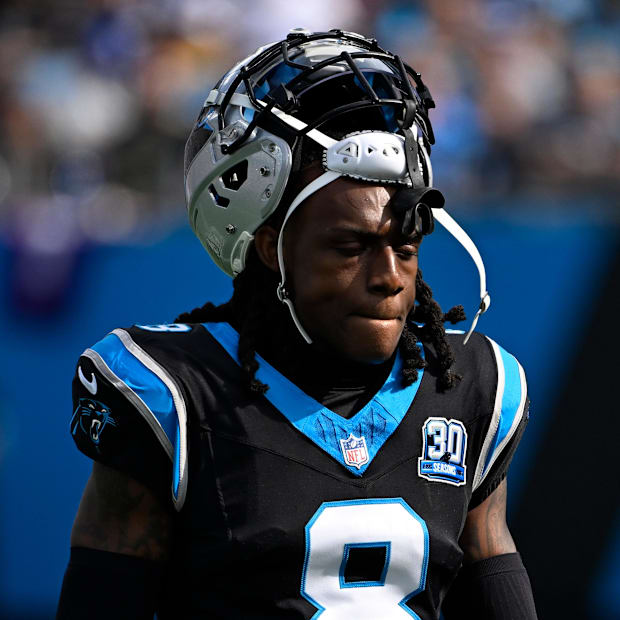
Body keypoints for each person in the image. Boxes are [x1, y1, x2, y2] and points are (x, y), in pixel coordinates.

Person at [57, 29, 537, 619]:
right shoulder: (176, 395)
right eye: (350, 247)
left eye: (406, 247)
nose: (389, 277)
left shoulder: (468, 386)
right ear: (270, 250)